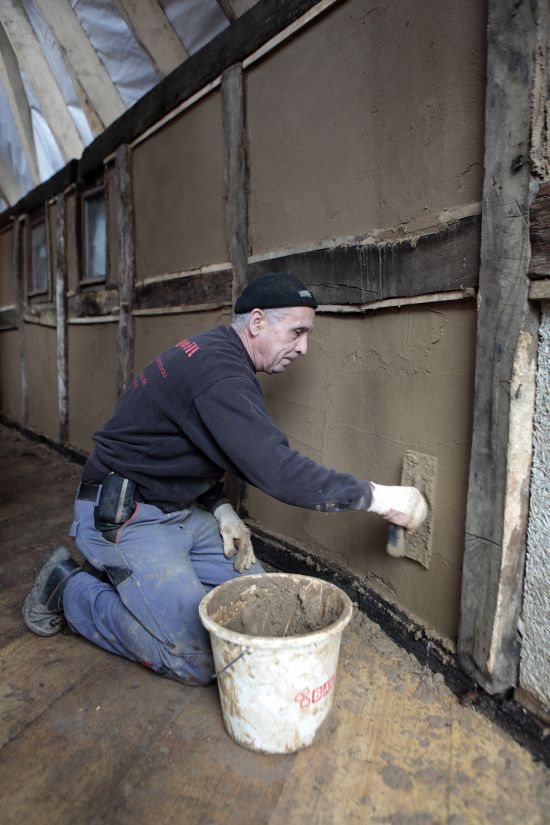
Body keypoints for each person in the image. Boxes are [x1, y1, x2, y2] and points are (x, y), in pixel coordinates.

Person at [22, 273, 427, 685]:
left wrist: (220, 508)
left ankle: (125, 580)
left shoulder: (216, 353)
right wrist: (378, 498)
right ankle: (67, 588)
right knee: (203, 657)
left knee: (256, 606)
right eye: (297, 332)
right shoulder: (221, 374)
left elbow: (179, 446)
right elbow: (278, 470)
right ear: (257, 322)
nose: (304, 347)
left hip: (176, 510)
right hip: (126, 516)